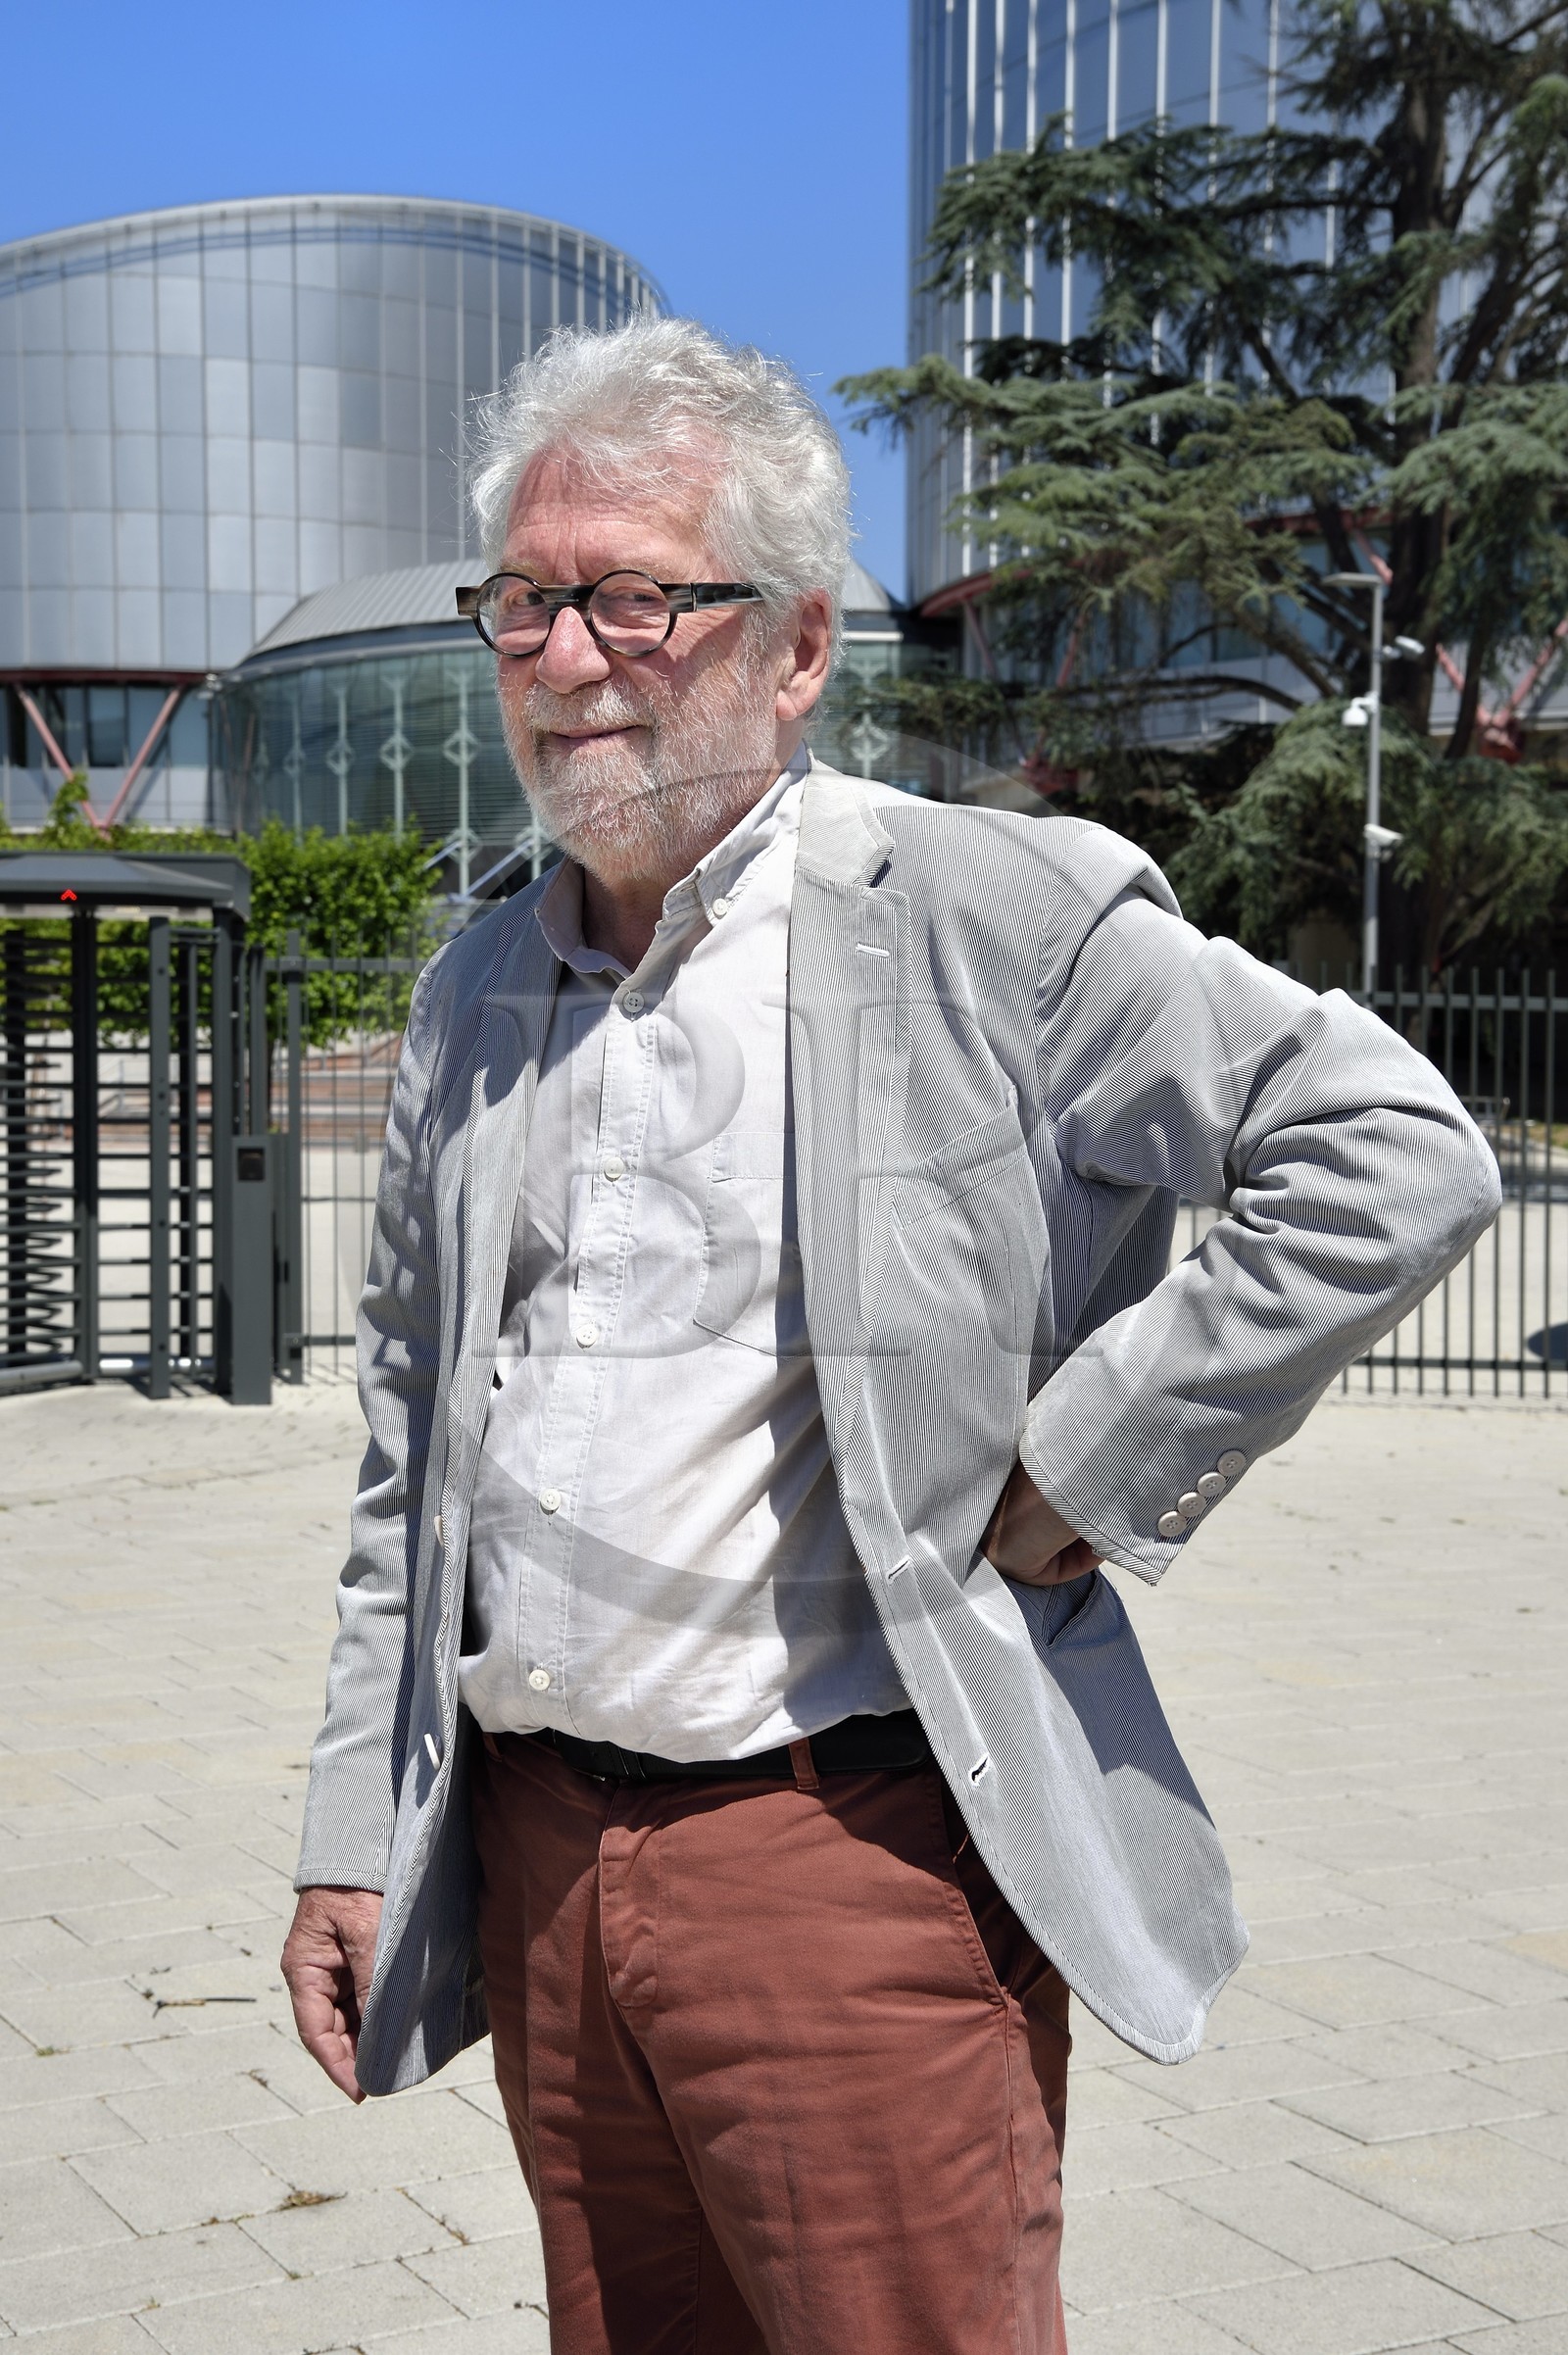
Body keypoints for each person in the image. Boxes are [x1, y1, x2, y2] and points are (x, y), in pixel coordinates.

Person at [281, 317, 1500, 2354]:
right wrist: (350, 1832)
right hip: (541, 1861)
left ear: (797, 645)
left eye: (636, 598)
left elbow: (1387, 1148)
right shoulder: (473, 984)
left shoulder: (976, 915)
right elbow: (413, 1443)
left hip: (843, 1862)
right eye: (525, 601)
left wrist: (1088, 1463)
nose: (568, 656)